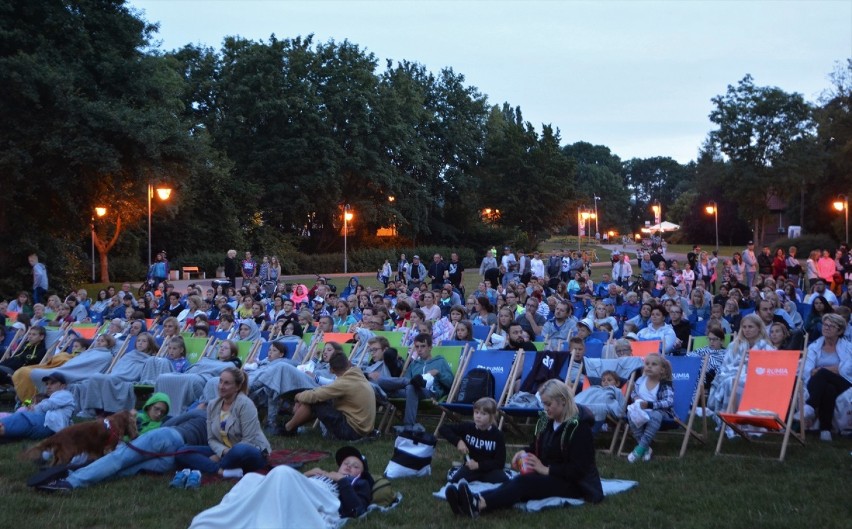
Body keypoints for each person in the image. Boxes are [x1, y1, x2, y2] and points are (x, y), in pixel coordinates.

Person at [445, 379, 603, 518]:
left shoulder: (579, 429)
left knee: (525, 482)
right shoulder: (547, 420)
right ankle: (472, 499)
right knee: (515, 483)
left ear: (562, 401)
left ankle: (479, 505)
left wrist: (547, 470)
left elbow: (580, 469)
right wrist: (524, 452)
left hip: (574, 484)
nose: (545, 408)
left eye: (548, 404)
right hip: (552, 475)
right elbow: (537, 446)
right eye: (543, 403)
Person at [38, 405, 209, 491]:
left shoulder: (200, 413)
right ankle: (77, 475)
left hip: (168, 436)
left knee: (121, 459)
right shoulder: (219, 429)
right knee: (127, 468)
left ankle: (71, 480)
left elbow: (171, 423)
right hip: (177, 454)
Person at [173, 367, 270, 483]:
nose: (221, 386)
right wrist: (223, 452)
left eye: (227, 383)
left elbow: (249, 440)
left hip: (250, 451)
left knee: (239, 450)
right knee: (182, 451)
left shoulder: (246, 405)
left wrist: (220, 456)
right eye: (220, 381)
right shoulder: (212, 405)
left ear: (237, 387)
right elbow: (211, 439)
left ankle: (209, 464)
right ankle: (221, 471)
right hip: (223, 450)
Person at [282, 351, 376, 440]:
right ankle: (291, 427)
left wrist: (297, 397)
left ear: (331, 370)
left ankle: (287, 428)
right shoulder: (358, 376)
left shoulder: (344, 383)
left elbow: (315, 395)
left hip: (352, 431)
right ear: (349, 363)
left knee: (316, 401)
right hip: (364, 429)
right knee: (319, 399)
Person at [707, 314, 774, 412]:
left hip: (758, 378)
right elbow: (726, 366)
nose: (747, 330)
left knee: (737, 382)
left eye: (750, 327)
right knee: (731, 382)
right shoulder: (734, 345)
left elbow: (770, 369)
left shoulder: (766, 347)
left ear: (759, 328)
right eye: (744, 327)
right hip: (733, 375)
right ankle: (731, 417)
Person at [803, 313, 852, 442]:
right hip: (821, 384)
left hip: (844, 382)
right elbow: (808, 370)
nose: (827, 328)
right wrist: (832, 369)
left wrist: (821, 370)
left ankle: (810, 406)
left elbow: (845, 370)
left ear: (840, 330)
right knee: (828, 388)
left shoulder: (848, 347)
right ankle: (825, 430)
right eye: (825, 324)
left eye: (832, 326)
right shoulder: (814, 346)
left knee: (822, 374)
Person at [439, 397, 507, 484]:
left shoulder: (497, 435)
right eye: (476, 412)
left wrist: (479, 465)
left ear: (491, 416)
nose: (478, 416)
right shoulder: (467, 427)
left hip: (489, 469)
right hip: (470, 468)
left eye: (483, 414)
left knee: (504, 481)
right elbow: (443, 428)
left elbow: (500, 462)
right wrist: (458, 442)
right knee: (455, 481)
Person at [626, 353, 674, 463]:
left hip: (660, 412)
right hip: (642, 410)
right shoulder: (640, 381)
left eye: (654, 364)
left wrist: (650, 405)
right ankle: (646, 448)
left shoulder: (665, 384)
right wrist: (636, 397)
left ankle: (640, 448)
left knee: (655, 415)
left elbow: (668, 402)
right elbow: (634, 393)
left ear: (662, 370)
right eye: (647, 364)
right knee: (630, 413)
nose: (649, 366)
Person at [0, 372, 74, 440]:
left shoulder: (64, 394)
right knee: (17, 422)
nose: (48, 386)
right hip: (43, 423)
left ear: (63, 386)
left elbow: (48, 405)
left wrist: (34, 408)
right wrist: (29, 404)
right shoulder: (52, 397)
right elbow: (29, 403)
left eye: (52, 383)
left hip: (46, 423)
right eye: (47, 384)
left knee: (22, 418)